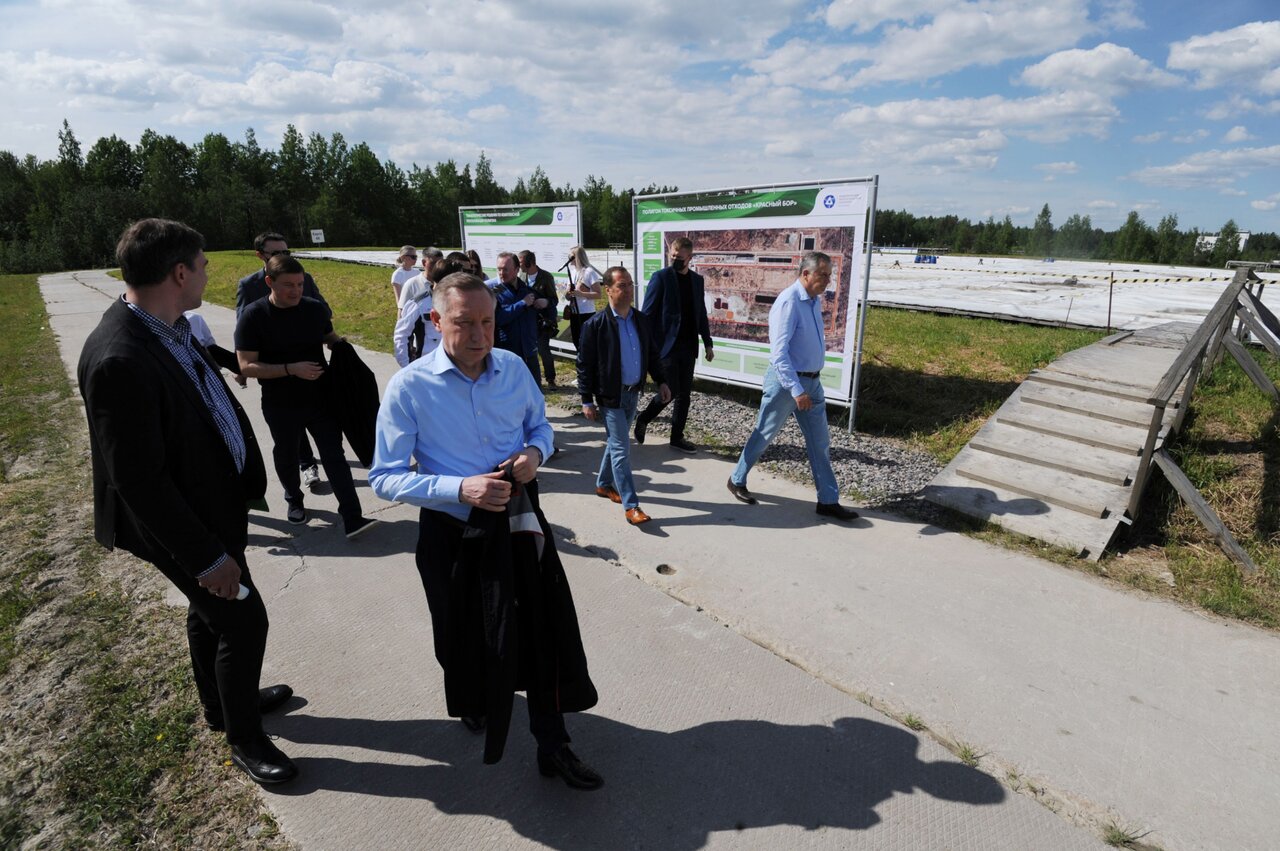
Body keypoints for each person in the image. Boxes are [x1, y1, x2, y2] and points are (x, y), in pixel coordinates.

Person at [78, 218, 297, 786]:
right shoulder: (119, 357)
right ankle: (245, 739)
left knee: (212, 615)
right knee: (244, 621)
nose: (208, 275)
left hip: (211, 503)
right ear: (179, 272)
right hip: (180, 523)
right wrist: (204, 558)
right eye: (202, 266)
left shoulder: (165, 326)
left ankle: (225, 705)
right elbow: (140, 483)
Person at [370, 272, 603, 790]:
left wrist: (534, 454)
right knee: (462, 638)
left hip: (519, 524)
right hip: (454, 535)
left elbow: (540, 427)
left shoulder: (514, 368)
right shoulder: (410, 386)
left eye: (487, 322)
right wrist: (461, 489)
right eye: (464, 323)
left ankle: (553, 742)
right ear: (436, 321)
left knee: (542, 631)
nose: (479, 334)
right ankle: (473, 697)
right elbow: (384, 477)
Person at [235, 254, 379, 539]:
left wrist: (343, 351)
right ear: (269, 282)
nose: (296, 290)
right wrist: (291, 369)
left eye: (300, 284)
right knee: (287, 455)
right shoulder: (254, 315)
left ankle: (352, 515)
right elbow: (246, 366)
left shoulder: (314, 310)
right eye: (288, 284)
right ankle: (294, 500)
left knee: (334, 455)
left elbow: (330, 337)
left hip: (321, 398)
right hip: (280, 403)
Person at [726, 252, 859, 521]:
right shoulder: (789, 301)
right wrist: (796, 390)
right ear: (805, 274)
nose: (828, 280)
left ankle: (828, 500)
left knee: (820, 442)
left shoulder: (813, 301)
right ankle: (736, 479)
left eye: (829, 275)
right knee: (764, 434)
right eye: (823, 274)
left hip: (813, 381)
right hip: (787, 383)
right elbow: (779, 354)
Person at [236, 231, 329, 492]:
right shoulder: (249, 286)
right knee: (288, 435)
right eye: (276, 253)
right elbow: (243, 332)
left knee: (316, 431)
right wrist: (242, 368)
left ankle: (309, 464)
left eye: (286, 252)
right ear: (260, 256)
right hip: (274, 373)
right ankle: (304, 470)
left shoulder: (303, 279)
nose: (282, 256)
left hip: (310, 373)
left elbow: (323, 313)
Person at [576, 267, 670, 525]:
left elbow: (651, 353)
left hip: (633, 393)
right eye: (622, 285)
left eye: (630, 284)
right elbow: (584, 364)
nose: (628, 290)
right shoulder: (595, 325)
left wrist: (661, 380)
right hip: (610, 397)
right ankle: (632, 506)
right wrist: (586, 399)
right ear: (608, 290)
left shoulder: (641, 320)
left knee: (616, 443)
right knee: (621, 449)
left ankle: (604, 483)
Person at [633, 237, 714, 453]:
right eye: (673, 256)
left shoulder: (697, 281)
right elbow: (647, 314)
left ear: (690, 257)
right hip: (666, 347)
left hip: (688, 347)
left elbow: (701, 314)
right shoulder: (661, 278)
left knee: (684, 395)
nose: (675, 260)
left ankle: (676, 437)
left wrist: (708, 343)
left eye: (680, 257)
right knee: (671, 390)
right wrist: (647, 346)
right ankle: (644, 417)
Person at [393, 256, 469, 368]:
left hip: (457, 366)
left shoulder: (463, 302)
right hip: (427, 367)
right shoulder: (418, 303)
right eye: (457, 280)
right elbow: (401, 335)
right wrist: (407, 367)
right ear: (445, 280)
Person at [488, 251, 546, 383]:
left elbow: (549, 308)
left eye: (506, 269)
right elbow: (499, 318)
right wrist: (522, 303)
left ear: (516, 270)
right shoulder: (494, 293)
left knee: (534, 393)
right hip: (507, 354)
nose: (502, 273)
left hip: (529, 352)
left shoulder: (527, 290)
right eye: (499, 269)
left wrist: (546, 303)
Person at [519, 249, 560, 386]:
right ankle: (531, 379)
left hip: (543, 320)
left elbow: (554, 299)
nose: (518, 266)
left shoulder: (546, 277)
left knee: (543, 349)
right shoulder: (521, 277)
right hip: (527, 320)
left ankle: (550, 378)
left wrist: (546, 302)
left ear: (529, 263)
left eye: (520, 262)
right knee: (528, 350)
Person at [565, 245, 601, 350]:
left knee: (588, 344)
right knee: (577, 342)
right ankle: (581, 364)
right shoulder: (572, 272)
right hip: (574, 313)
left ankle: (590, 365)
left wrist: (581, 294)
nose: (568, 258)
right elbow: (569, 295)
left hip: (586, 313)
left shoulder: (589, 271)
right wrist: (568, 294)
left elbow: (598, 294)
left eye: (571, 256)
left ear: (577, 257)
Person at [398, 246, 444, 312]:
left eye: (440, 263)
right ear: (423, 263)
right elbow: (402, 311)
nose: (437, 266)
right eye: (433, 263)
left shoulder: (446, 283)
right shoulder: (412, 284)